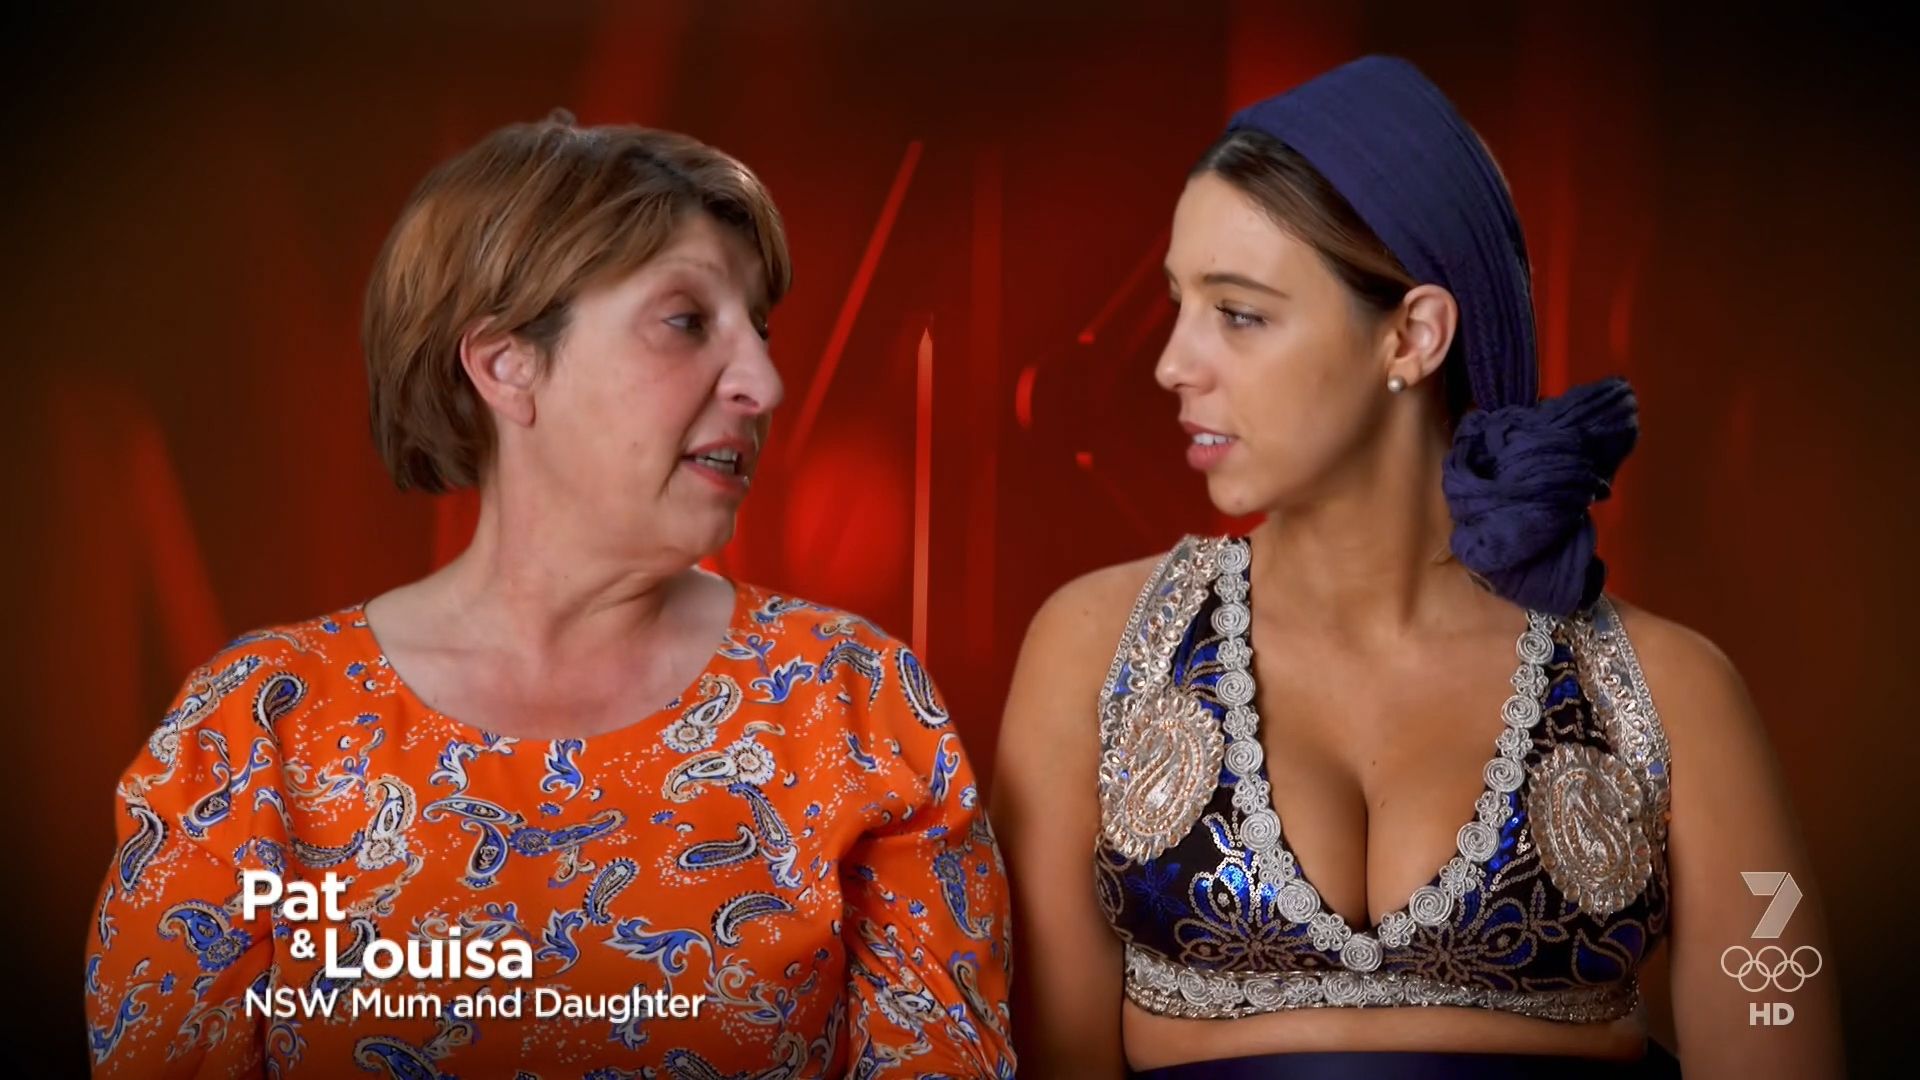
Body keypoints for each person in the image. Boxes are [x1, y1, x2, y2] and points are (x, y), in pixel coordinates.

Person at [84, 113, 1014, 1078]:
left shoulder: (852, 701)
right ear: (506, 365)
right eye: (687, 321)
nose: (764, 383)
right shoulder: (255, 730)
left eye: (759, 330)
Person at [993, 56, 1841, 1079]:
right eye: (1179, 302)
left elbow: (1775, 1006)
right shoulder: (1098, 654)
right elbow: (1047, 1057)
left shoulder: (1670, 694)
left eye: (1239, 313)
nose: (1173, 362)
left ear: (1412, 336)